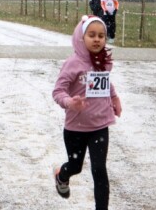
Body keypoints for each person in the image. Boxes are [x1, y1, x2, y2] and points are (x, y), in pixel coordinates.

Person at [52, 15, 122, 209]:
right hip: (75, 127)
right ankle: (62, 175)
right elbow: (58, 92)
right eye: (92, 35)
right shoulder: (73, 63)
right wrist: (69, 103)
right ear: (81, 38)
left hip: (100, 125)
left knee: (99, 169)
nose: (97, 39)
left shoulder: (103, 61)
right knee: (75, 167)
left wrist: (115, 98)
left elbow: (105, 81)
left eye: (101, 35)